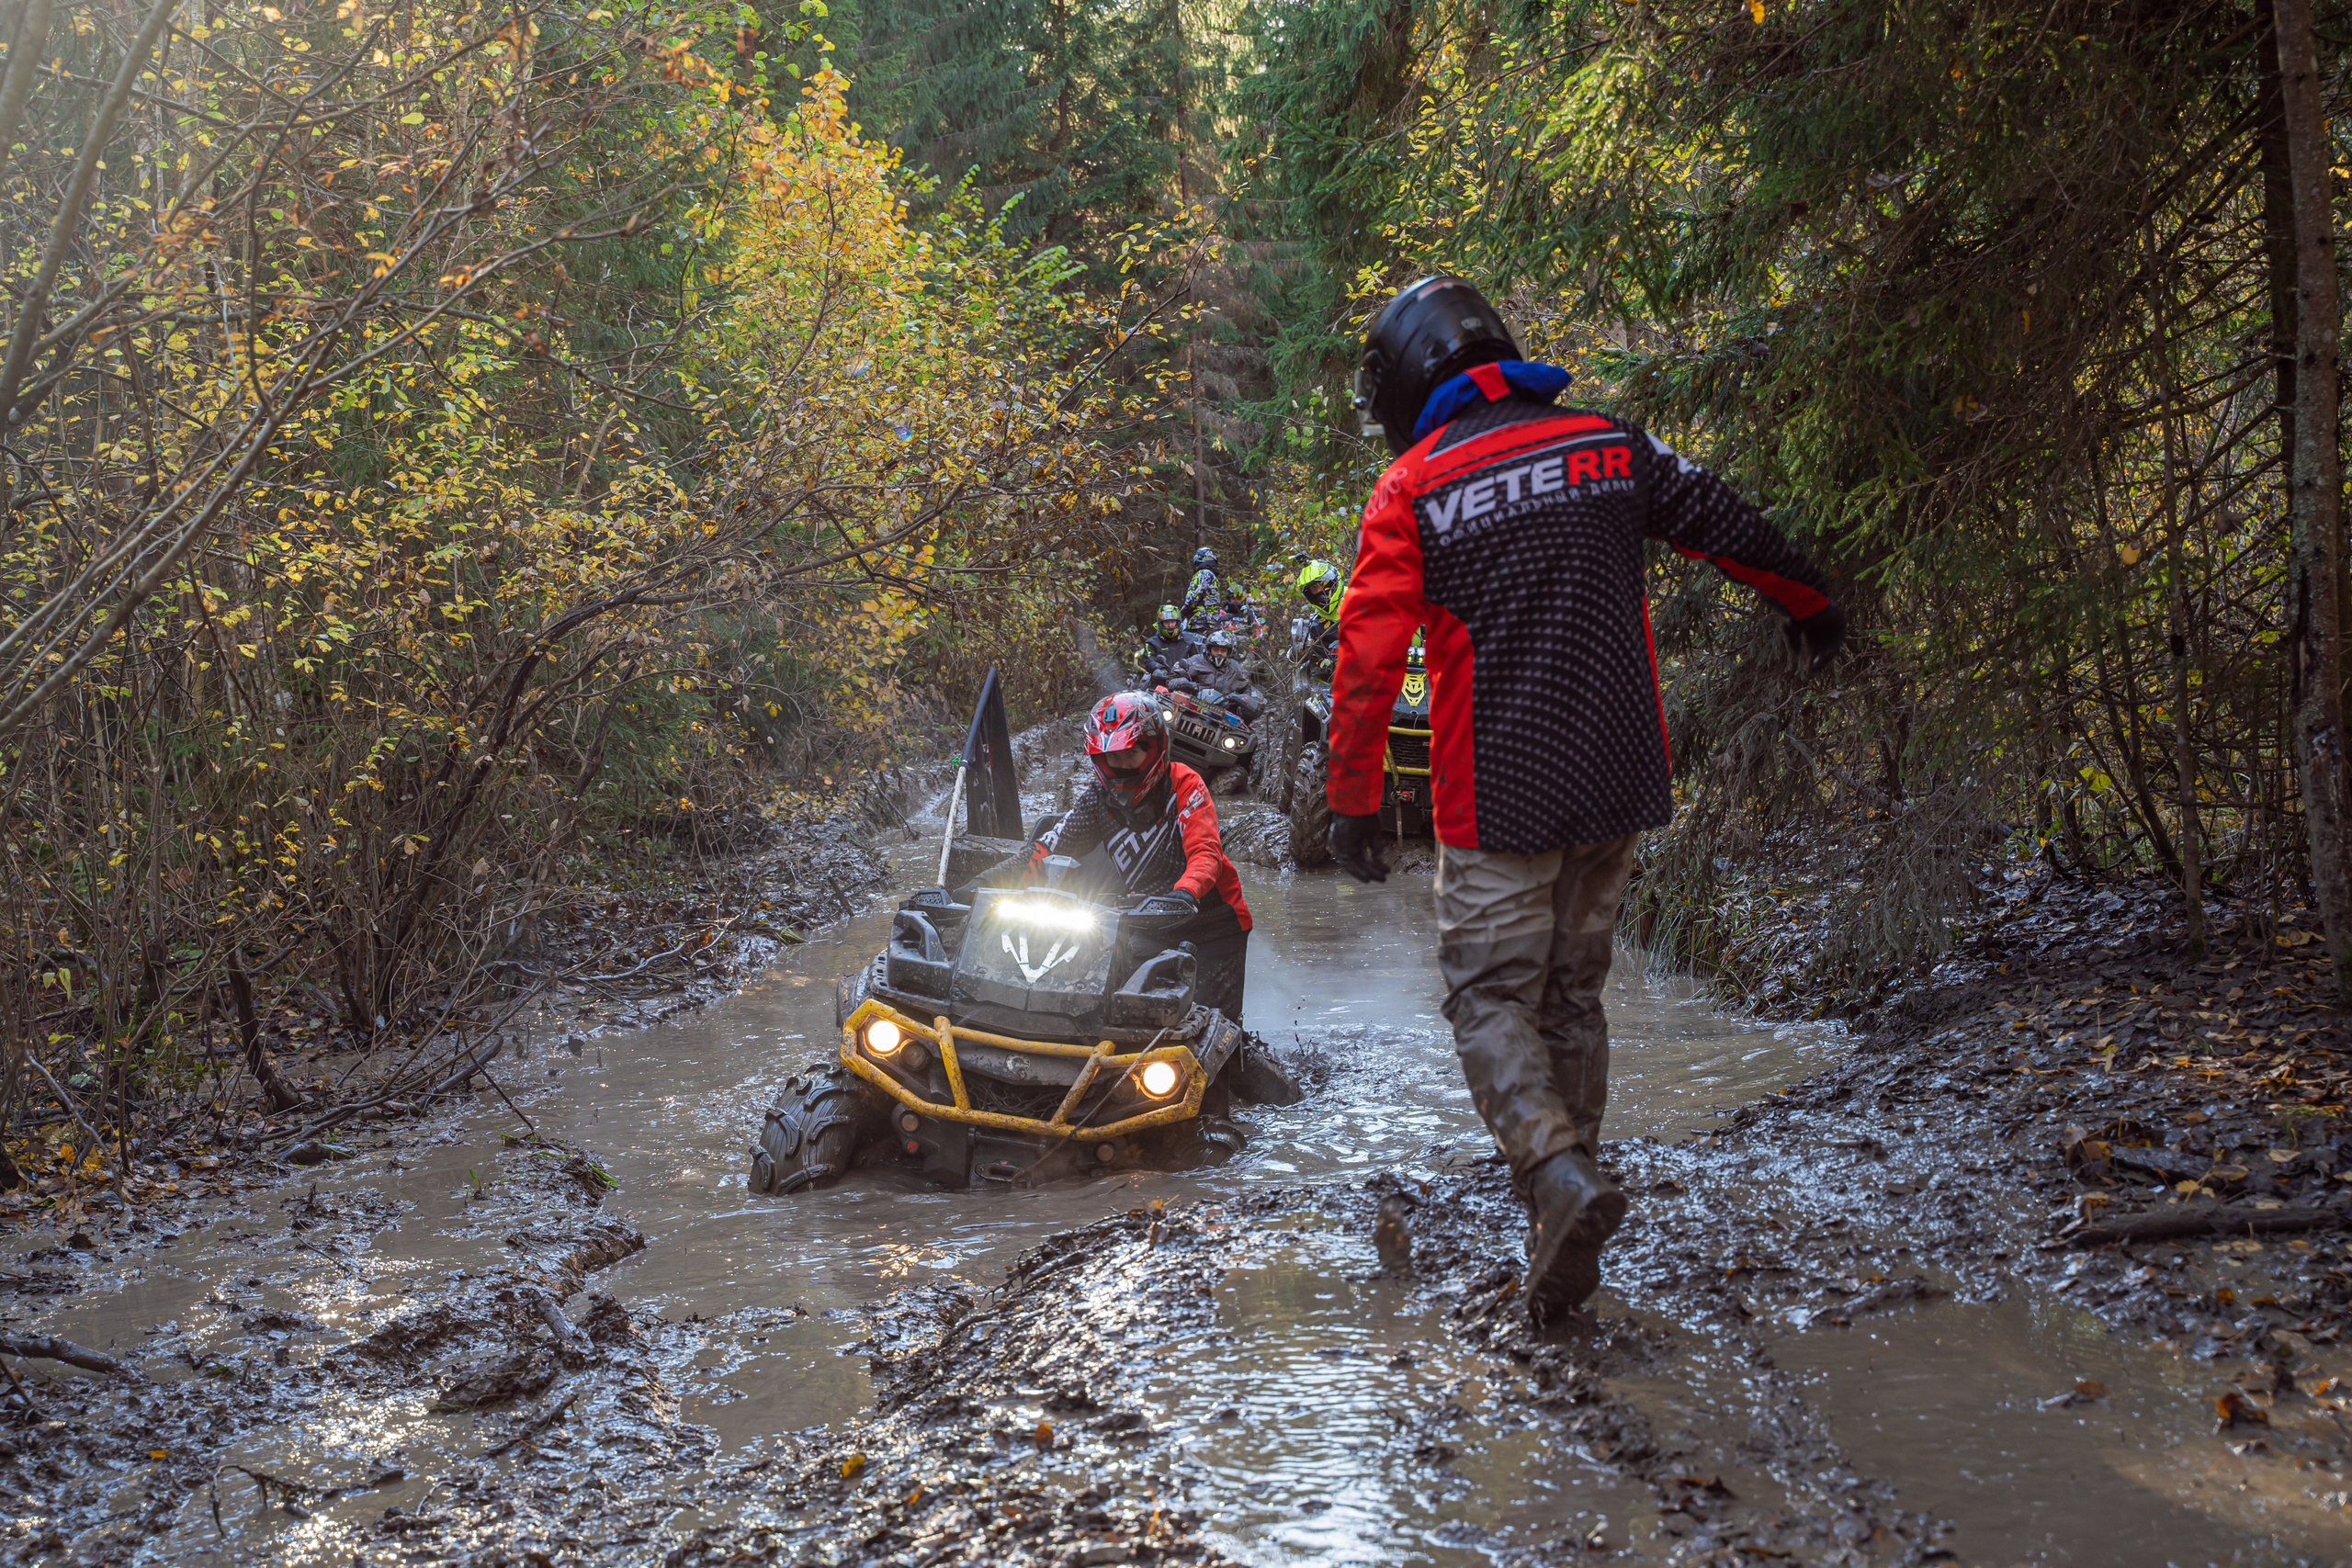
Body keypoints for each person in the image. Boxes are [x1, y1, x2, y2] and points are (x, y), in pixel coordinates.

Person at [1324, 275, 1844, 1322]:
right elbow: (1726, 522)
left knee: (1487, 997)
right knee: (1571, 996)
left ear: (1410, 375)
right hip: (1616, 774)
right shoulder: (1609, 446)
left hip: (1499, 792)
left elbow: (1368, 656)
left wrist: (1353, 796)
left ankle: (1554, 1178)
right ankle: (1569, 1213)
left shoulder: (1413, 490)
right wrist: (1809, 601)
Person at [1029, 693, 1253, 1021]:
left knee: (1211, 1025)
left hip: (1214, 925)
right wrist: (981, 886)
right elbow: (1044, 849)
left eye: (1130, 754)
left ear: (1155, 748)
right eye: (1111, 757)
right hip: (1148, 923)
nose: (1121, 766)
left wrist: (1184, 892)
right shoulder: (1097, 800)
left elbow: (1206, 853)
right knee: (1124, 1013)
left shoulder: (1185, 785)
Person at [1170, 629, 1262, 720]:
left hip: (1222, 716)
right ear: (1209, 649)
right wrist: (1184, 683)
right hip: (1191, 708)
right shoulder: (1195, 661)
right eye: (1216, 650)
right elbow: (1173, 678)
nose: (1219, 653)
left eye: (1223, 650)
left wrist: (1244, 700)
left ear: (1229, 651)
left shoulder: (1235, 668)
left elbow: (1247, 688)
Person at [1135, 604, 1200, 683]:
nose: (1170, 626)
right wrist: (1160, 669)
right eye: (1166, 622)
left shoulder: (1188, 642)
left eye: (1172, 622)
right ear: (1160, 623)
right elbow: (1149, 662)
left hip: (1184, 683)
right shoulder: (1151, 642)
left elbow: (1197, 662)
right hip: (1160, 682)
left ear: (1178, 622)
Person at [1295, 559, 1344, 662]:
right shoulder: (1315, 626)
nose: (1318, 591)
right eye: (1313, 587)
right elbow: (1318, 669)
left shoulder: (1357, 600)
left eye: (1321, 584)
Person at [1180, 546, 1224, 623]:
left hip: (1200, 622)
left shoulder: (1203, 573)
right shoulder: (1211, 575)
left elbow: (1193, 599)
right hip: (1212, 621)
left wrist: (1181, 614)